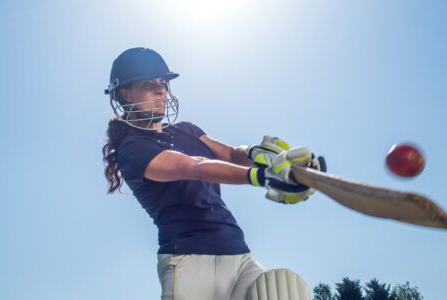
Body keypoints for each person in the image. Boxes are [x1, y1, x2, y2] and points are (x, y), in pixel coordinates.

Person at [102, 47, 325, 300]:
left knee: (280, 292)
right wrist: (261, 176)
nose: (160, 91)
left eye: (163, 83)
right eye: (148, 84)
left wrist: (255, 153)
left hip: (238, 253)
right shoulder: (132, 149)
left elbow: (230, 154)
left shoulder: (187, 130)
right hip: (188, 259)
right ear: (125, 94)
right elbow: (194, 167)